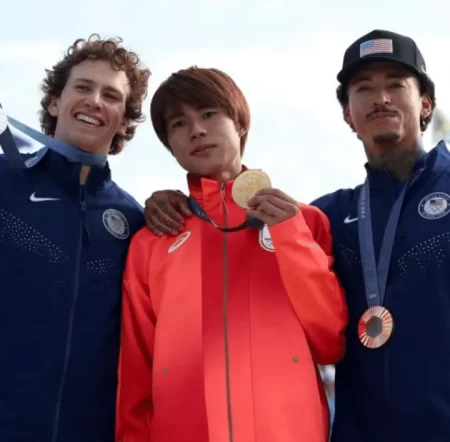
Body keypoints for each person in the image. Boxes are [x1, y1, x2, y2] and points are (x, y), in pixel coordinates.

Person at [142, 29, 450, 442]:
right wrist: (167, 201)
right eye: (364, 89)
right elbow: (235, 226)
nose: (381, 98)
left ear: (426, 103)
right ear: (347, 114)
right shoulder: (327, 215)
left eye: (396, 85)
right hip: (361, 431)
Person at [115, 66, 348, 442]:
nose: (197, 130)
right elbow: (136, 373)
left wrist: (290, 236)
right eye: (178, 123)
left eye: (209, 114)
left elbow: (329, 341)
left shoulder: (305, 221)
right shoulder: (152, 241)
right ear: (170, 146)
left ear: (239, 123)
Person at [0, 35, 150, 442]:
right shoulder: (3, 179)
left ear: (125, 120)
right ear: (54, 102)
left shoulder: (136, 221)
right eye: (83, 87)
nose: (95, 101)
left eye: (111, 95)